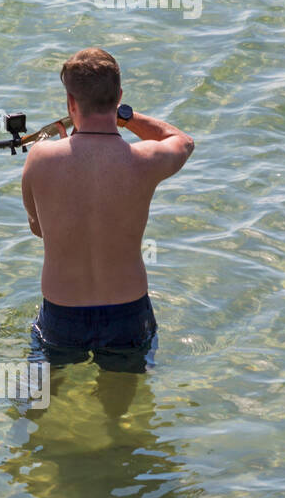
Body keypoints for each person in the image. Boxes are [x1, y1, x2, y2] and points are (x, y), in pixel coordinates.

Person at [20, 48, 194, 373]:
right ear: (119, 98)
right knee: (124, 413)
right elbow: (182, 141)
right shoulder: (145, 160)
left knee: (41, 403)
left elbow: (39, 228)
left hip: (62, 314)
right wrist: (127, 117)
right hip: (127, 314)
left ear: (71, 102)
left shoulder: (40, 158)